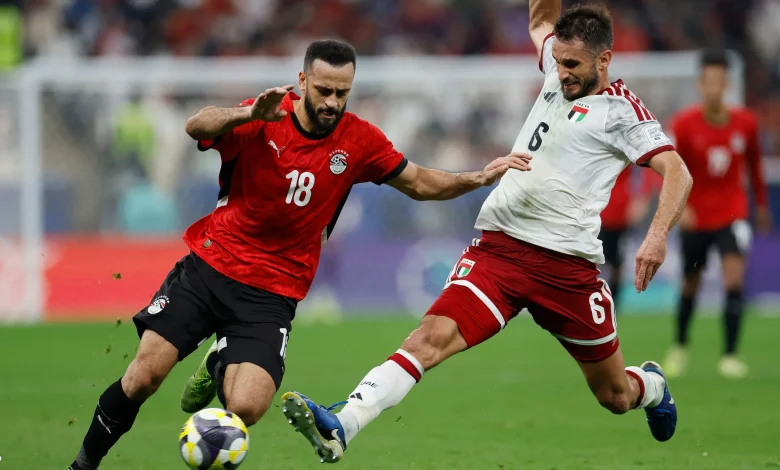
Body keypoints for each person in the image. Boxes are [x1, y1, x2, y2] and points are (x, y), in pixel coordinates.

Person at [67, 39, 531, 470]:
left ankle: (219, 359)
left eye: (342, 93)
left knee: (247, 407)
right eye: (324, 90)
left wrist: (477, 178)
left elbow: (420, 182)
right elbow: (197, 125)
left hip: (271, 294)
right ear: (303, 80)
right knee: (143, 378)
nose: (332, 102)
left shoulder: (359, 139)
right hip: (210, 267)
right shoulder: (265, 116)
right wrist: (245, 115)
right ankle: (82, 465)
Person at [282, 2, 693, 464]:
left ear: (605, 59)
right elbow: (541, 21)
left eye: (573, 65)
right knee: (428, 339)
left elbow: (677, 171)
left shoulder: (623, 112)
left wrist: (657, 235)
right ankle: (345, 424)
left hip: (567, 269)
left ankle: (651, 386)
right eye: (558, 61)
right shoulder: (557, 69)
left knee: (614, 395)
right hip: (500, 251)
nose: (560, 73)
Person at [663, 49, 771, 379]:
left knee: (734, 279)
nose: (713, 88)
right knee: (690, 284)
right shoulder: (683, 124)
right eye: (708, 81)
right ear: (700, 84)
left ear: (727, 84)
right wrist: (682, 207)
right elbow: (672, 169)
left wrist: (761, 205)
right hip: (696, 217)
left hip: (732, 214)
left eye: (719, 81)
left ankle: (730, 354)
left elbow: (755, 166)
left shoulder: (746, 123)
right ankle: (680, 345)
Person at [598, 167, 661, 310]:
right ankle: (587, 307)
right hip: (592, 211)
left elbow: (648, 167)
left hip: (619, 213)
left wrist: (643, 198)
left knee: (616, 264)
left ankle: (612, 310)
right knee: (588, 262)